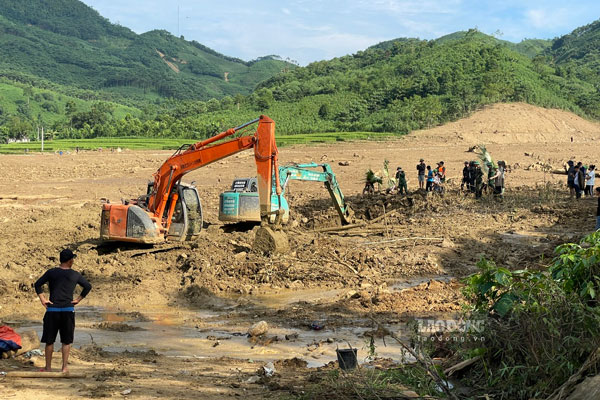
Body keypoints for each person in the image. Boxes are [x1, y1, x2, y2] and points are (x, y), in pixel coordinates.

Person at [34, 249, 91, 373]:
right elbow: (87, 286)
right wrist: (78, 299)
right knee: (66, 341)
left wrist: (43, 299)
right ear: (70, 261)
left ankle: (48, 368)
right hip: (67, 310)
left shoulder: (51, 272)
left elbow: (37, 284)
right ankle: (64, 367)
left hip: (52, 311)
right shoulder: (74, 274)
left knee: (49, 341)